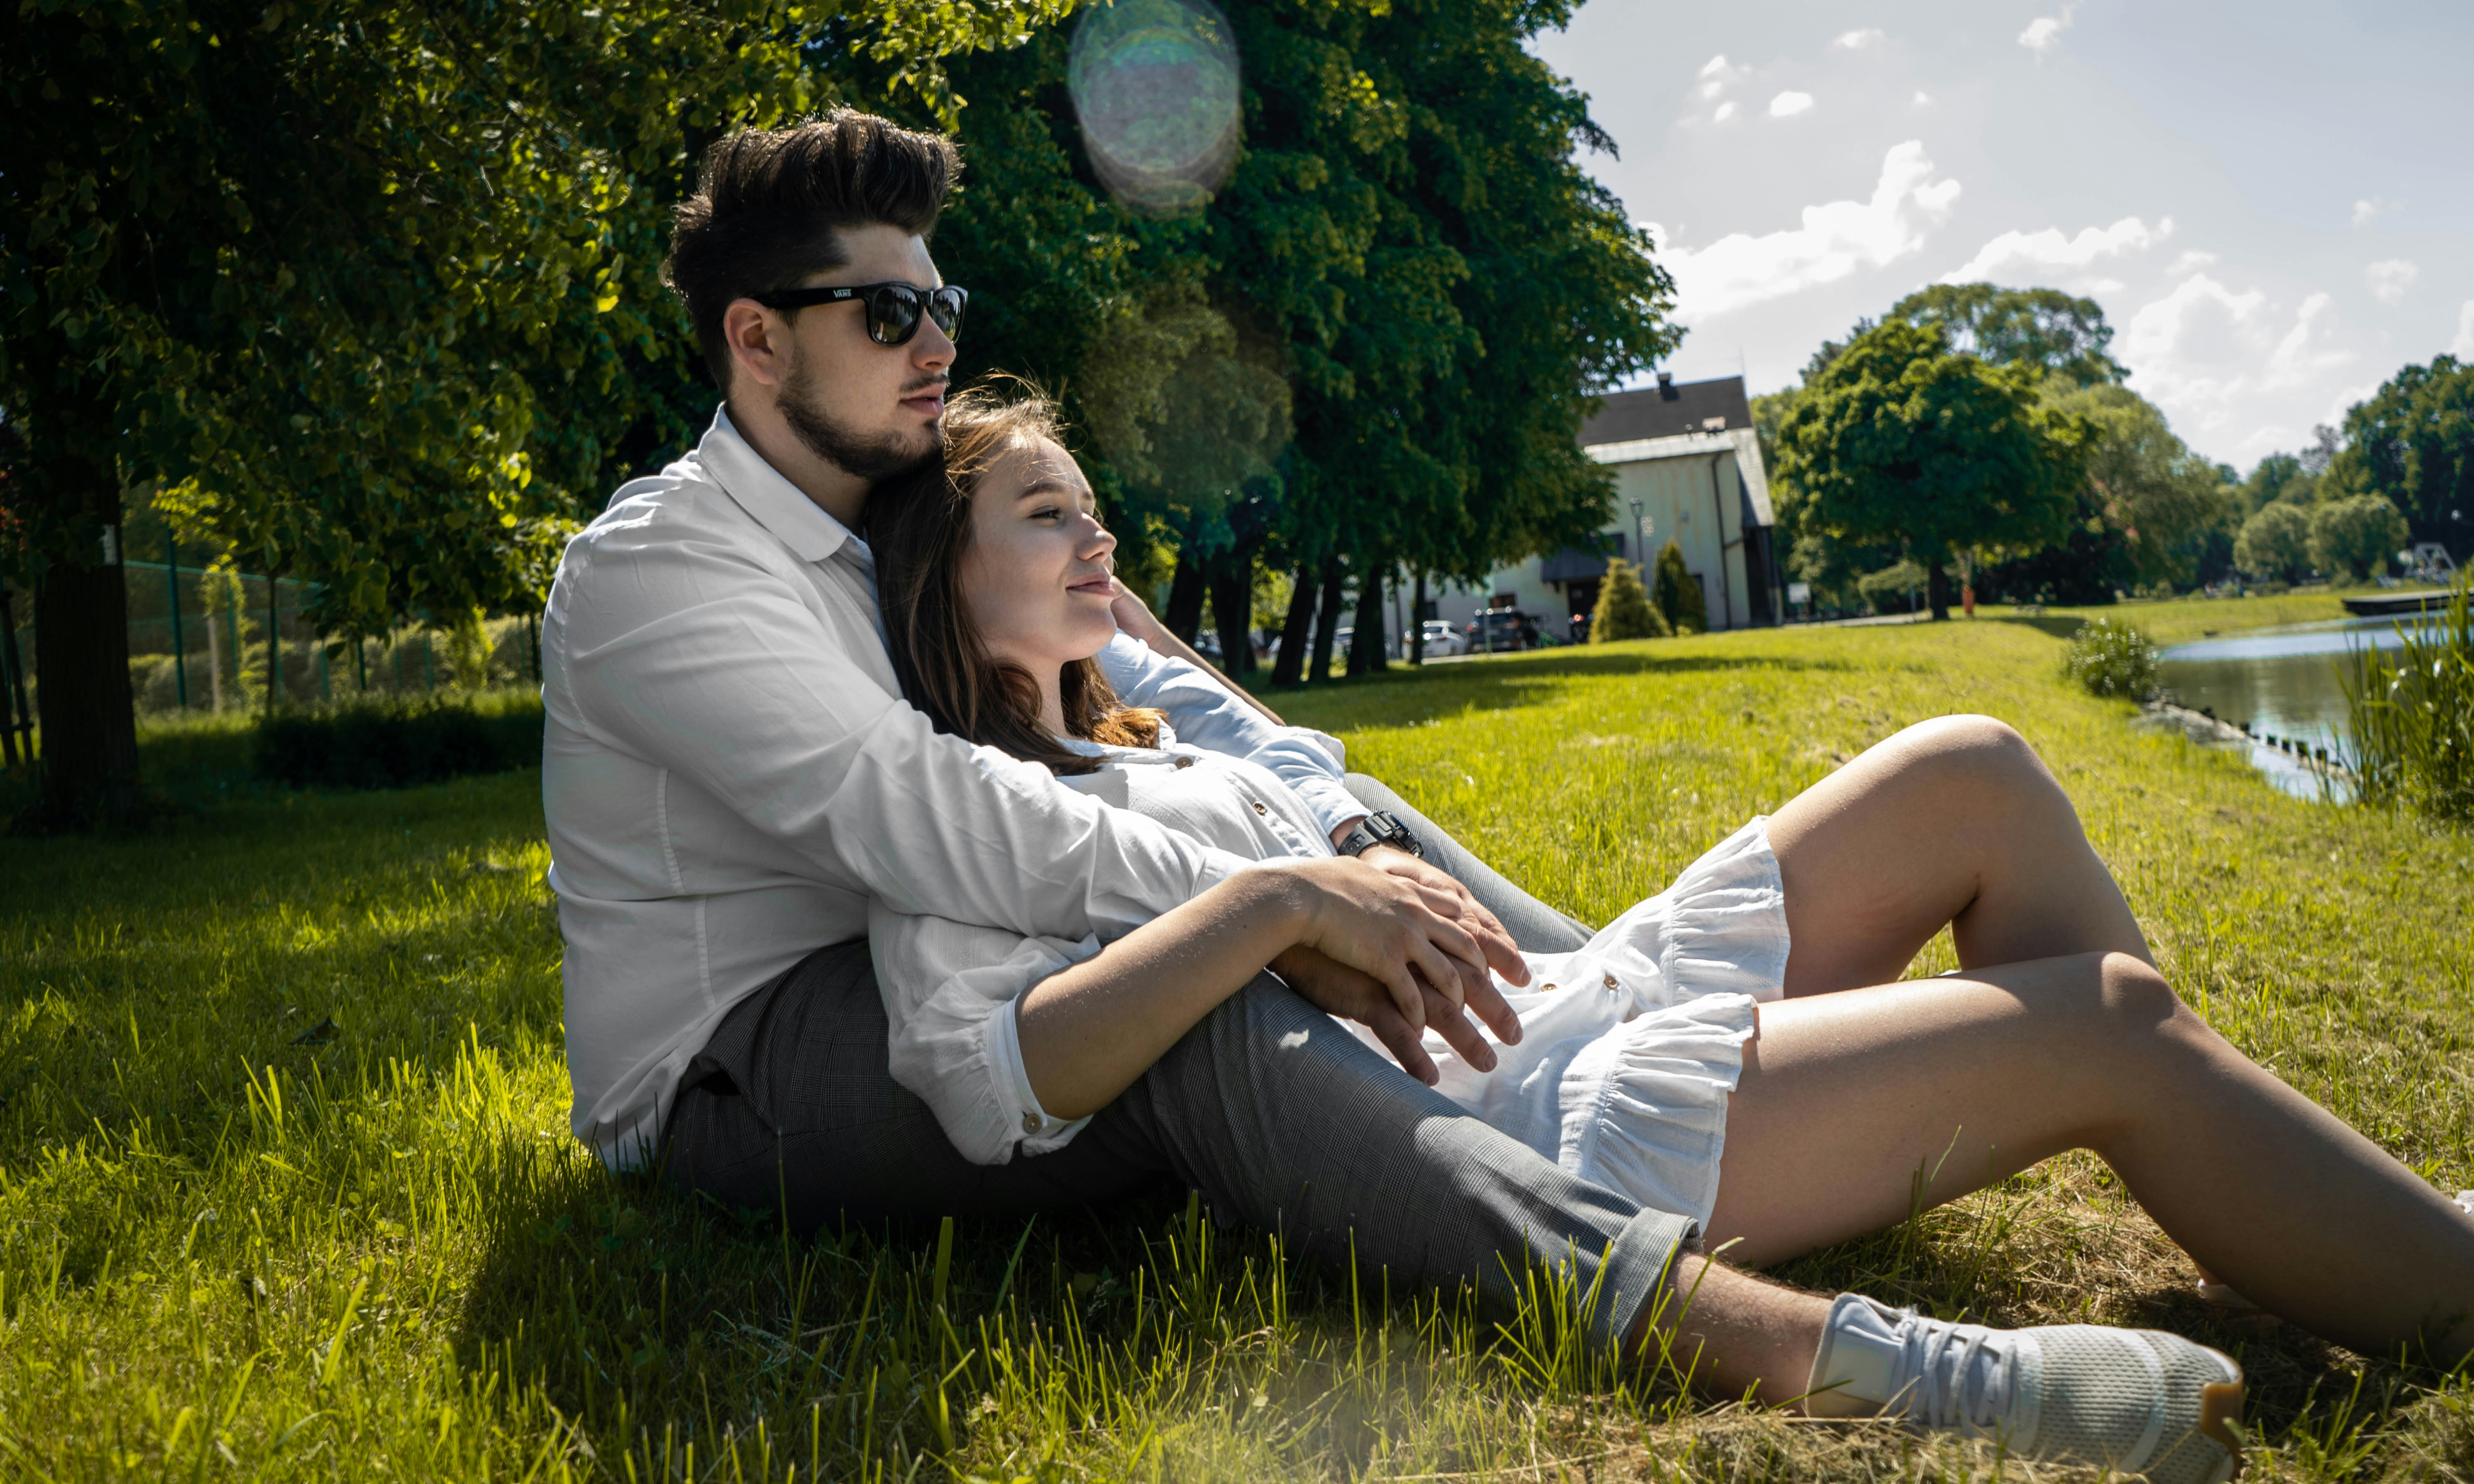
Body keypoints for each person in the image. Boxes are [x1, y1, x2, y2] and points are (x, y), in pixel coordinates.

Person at [539, 112, 2467, 1484]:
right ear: (756, 339)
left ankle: (2293, 1211)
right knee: (1205, 992)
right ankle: (1814, 1329)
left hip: (1414, 1003)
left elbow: (1269, 762)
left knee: (1973, 772)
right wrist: (1288, 899)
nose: (934, 338)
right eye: (887, 311)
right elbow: (931, 834)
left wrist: (1540, 947)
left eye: (939, 296)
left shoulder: (923, 521)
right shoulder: (671, 570)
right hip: (746, 1041)